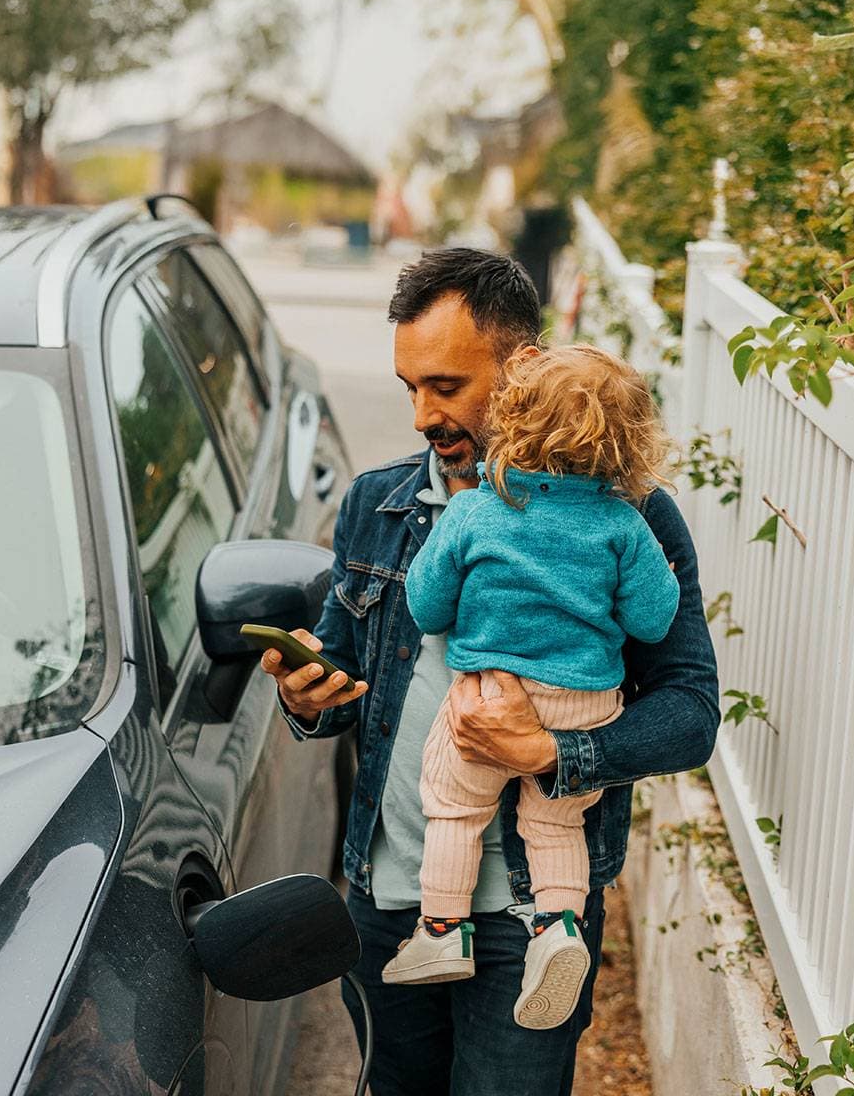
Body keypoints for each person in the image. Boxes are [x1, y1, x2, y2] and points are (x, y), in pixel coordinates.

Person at [259, 248, 719, 1096]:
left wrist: (554, 755)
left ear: (525, 367)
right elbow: (346, 666)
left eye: (446, 386)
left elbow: (690, 712)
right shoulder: (378, 503)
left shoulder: (631, 514)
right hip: (393, 894)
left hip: (530, 917)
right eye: (410, 389)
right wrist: (308, 696)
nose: (423, 416)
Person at [380, 345, 682, 1035]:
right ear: (627, 439)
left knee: (455, 809)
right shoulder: (623, 525)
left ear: (510, 421)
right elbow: (651, 620)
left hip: (491, 694)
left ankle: (441, 931)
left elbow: (426, 609)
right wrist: (656, 571)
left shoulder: (478, 510)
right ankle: (558, 927)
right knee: (555, 822)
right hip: (584, 705)